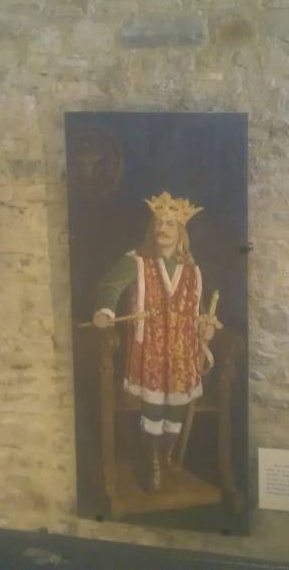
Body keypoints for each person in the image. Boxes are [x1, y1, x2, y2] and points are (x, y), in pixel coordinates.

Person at [92, 191, 219, 493]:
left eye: (170, 224)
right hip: (150, 347)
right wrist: (105, 311)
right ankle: (153, 464)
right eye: (158, 223)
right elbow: (110, 286)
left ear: (181, 232)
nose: (163, 229)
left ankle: (166, 456)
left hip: (183, 351)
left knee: (176, 408)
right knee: (153, 407)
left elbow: (198, 307)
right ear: (151, 229)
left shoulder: (192, 269)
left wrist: (206, 325)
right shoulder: (136, 261)